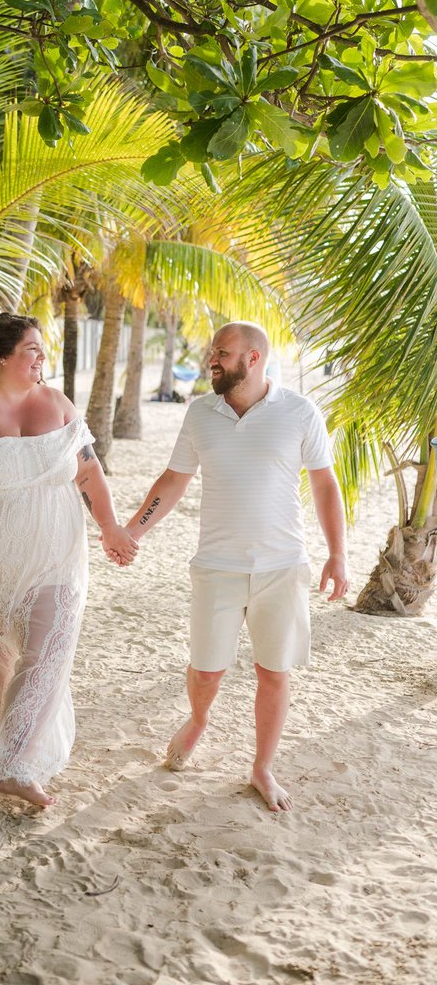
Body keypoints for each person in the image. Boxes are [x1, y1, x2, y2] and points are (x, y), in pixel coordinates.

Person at [122, 321, 349, 812]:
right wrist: (135, 530)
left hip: (283, 566)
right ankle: (199, 720)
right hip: (217, 566)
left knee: (274, 671)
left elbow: (325, 485)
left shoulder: (299, 411)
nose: (212, 361)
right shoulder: (200, 413)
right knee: (207, 670)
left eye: (222, 353)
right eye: (212, 353)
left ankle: (262, 767)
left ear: (254, 358)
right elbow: (173, 479)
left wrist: (338, 554)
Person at [0, 313, 138, 808]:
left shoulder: (56, 403)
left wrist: (110, 526)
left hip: (57, 549)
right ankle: (14, 748)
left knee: (50, 650)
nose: (42, 358)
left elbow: (88, 472)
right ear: (2, 357)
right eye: (33, 349)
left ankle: (14, 766)